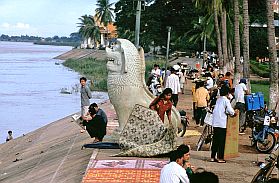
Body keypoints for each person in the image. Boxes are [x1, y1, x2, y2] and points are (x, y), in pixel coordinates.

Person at [211, 85, 237, 163]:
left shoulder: (218, 100)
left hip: (215, 122)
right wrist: (234, 113)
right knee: (221, 141)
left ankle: (212, 157)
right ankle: (220, 158)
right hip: (222, 123)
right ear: (227, 92)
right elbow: (230, 111)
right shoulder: (226, 100)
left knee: (215, 140)